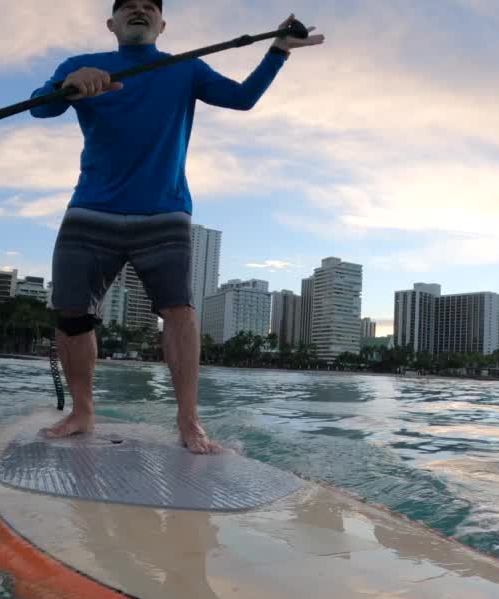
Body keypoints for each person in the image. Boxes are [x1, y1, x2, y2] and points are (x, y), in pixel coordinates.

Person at [29, 0, 323, 453]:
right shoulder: (81, 67)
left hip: (164, 212)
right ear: (111, 24)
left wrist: (278, 52)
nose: (140, 10)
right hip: (91, 209)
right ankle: (83, 411)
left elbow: (241, 99)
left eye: (150, 7)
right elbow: (38, 110)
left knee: (179, 312)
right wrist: (66, 88)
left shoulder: (185, 68)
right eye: (129, 7)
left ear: (162, 24)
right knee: (71, 315)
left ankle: (189, 421)